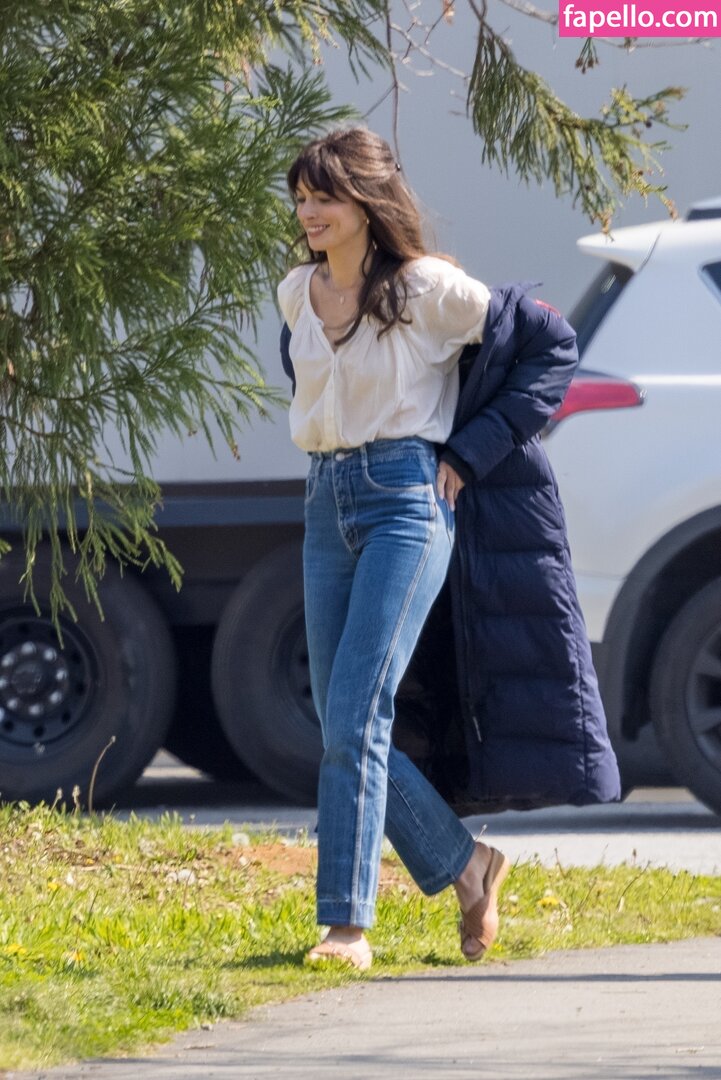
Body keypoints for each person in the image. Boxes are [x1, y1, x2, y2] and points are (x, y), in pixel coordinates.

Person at [277, 127, 620, 972]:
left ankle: (346, 927)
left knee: (358, 714)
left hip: (405, 499)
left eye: (324, 196)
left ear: (366, 201)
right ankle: (469, 867)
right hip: (324, 500)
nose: (309, 212)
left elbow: (550, 346)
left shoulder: (426, 288)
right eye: (301, 197)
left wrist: (469, 453)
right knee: (339, 718)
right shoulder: (295, 293)